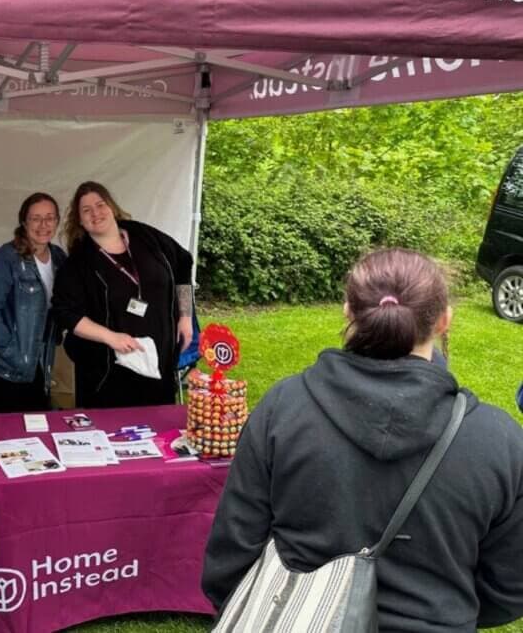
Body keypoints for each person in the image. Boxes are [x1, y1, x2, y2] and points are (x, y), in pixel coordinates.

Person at [202, 248, 523, 631]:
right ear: (444, 320)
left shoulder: (283, 409)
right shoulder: (499, 439)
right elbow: (509, 588)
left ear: (348, 312)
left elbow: (232, 551)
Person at [52, 181, 198, 408]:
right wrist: (110, 337)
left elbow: (182, 264)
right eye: (86, 210)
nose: (96, 213)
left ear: (111, 207)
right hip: (109, 375)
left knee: (157, 431)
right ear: (80, 220)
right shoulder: (78, 263)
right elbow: (65, 312)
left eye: (100, 205)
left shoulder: (145, 236)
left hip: (159, 364)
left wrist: (186, 317)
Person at [0, 192, 67, 413]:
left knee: (34, 431)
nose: (43, 225)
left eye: (50, 218)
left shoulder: (59, 258)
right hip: (4, 369)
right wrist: (10, 350)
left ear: (57, 221)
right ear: (24, 221)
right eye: (36, 218)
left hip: (40, 362)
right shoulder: (6, 258)